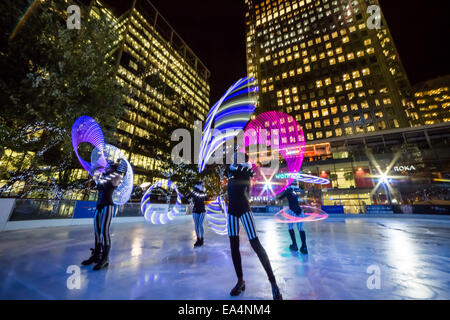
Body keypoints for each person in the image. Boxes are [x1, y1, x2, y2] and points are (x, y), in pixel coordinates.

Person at [225, 151, 282, 300]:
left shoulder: (245, 171)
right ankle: (240, 280)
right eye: (234, 157)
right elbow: (229, 174)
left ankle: (273, 283)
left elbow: (245, 172)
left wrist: (230, 169)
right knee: (233, 247)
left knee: (256, 244)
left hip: (244, 210)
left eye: (238, 157)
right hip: (231, 212)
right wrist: (228, 170)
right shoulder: (232, 170)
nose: (235, 159)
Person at [81, 160, 123, 271]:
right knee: (97, 231)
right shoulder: (103, 176)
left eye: (109, 166)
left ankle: (105, 259)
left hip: (108, 206)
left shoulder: (115, 177)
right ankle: (96, 255)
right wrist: (97, 170)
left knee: (104, 232)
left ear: (113, 168)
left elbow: (118, 176)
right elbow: (96, 178)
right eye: (107, 166)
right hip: (99, 205)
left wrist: (118, 166)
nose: (106, 167)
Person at [277, 186, 308, 254]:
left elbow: (280, 197)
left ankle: (294, 245)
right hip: (299, 212)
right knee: (300, 229)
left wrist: (276, 195)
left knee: (290, 227)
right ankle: (304, 247)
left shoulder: (287, 192)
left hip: (292, 212)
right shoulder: (295, 193)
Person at [185, 181, 207, 247]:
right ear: (199, 185)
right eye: (202, 185)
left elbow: (205, 198)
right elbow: (187, 197)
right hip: (195, 209)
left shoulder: (202, 192)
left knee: (200, 224)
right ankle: (198, 239)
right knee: (196, 225)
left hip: (202, 210)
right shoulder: (194, 191)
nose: (203, 185)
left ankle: (202, 239)